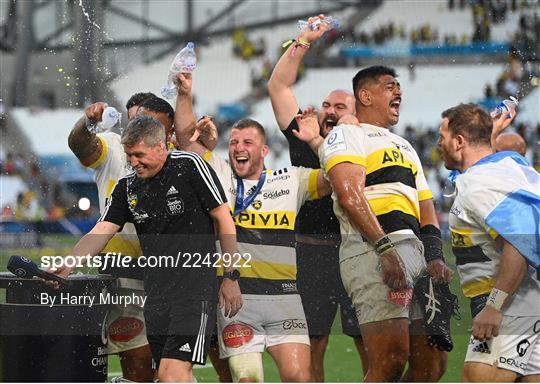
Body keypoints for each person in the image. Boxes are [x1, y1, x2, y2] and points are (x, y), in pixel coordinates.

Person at [59, 115, 242, 382]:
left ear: (161, 147)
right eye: (128, 155)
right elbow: (102, 230)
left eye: (138, 155)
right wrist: (68, 265)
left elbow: (224, 218)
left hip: (193, 295)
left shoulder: (190, 166)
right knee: (170, 377)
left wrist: (231, 276)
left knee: (171, 374)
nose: (133, 162)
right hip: (155, 298)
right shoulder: (128, 186)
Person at [174, 73, 332, 382]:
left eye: (248, 142)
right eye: (233, 142)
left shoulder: (291, 179)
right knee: (247, 380)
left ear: (263, 151)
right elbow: (184, 140)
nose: (238, 148)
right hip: (237, 301)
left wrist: (316, 140)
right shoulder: (219, 174)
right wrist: (185, 94)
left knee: (300, 377)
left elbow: (338, 175)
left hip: (285, 299)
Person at [315, 65, 454, 382]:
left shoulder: (405, 145)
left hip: (414, 250)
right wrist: (384, 248)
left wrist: (434, 256)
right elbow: (349, 195)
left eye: (399, 86)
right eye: (390, 86)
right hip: (371, 249)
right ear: (365, 95)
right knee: (390, 360)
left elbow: (426, 208)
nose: (399, 92)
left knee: (432, 365)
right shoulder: (346, 134)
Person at [267, 17, 364, 381]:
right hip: (310, 254)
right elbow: (278, 85)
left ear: (355, 115)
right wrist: (303, 41)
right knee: (313, 343)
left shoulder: (365, 142)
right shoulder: (302, 133)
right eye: (326, 104)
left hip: (356, 250)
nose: (329, 110)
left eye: (340, 106)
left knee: (367, 341)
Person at [67, 95, 173, 382]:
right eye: (134, 119)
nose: (139, 126)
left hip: (170, 278)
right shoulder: (115, 147)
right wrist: (88, 122)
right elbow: (79, 144)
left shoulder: (179, 159)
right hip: (123, 275)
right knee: (138, 362)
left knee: (169, 368)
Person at [437, 103, 540, 382]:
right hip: (529, 300)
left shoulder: (480, 183)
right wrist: (486, 136)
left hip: (513, 304)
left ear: (459, 142)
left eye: (442, 137)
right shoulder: (507, 164)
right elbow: (477, 172)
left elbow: (521, 239)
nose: (438, 143)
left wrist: (494, 306)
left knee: (477, 378)